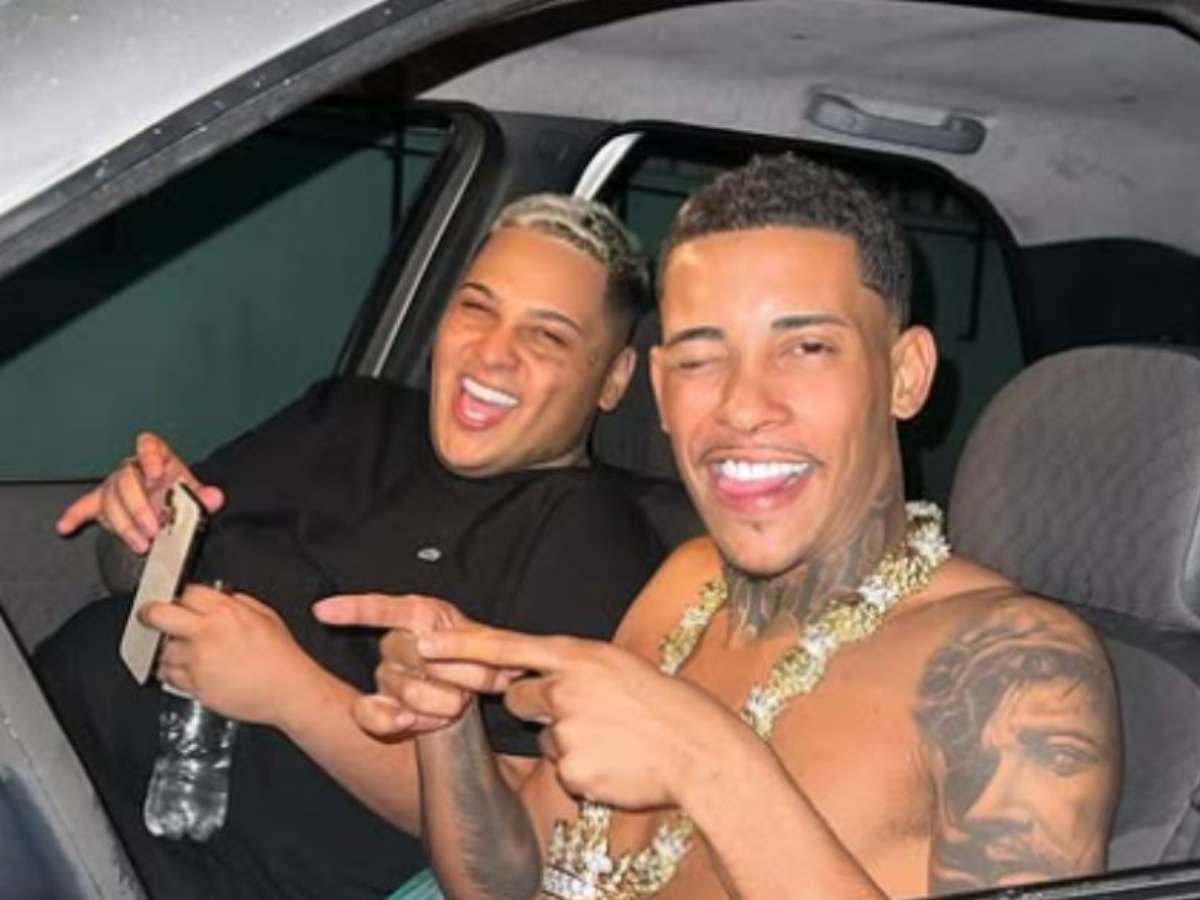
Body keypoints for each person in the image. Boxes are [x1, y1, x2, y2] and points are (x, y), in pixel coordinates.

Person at [324, 155, 1121, 899]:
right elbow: (507, 882)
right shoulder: (684, 585)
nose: (742, 405)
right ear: (662, 391)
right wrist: (448, 726)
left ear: (904, 376)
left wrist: (707, 764)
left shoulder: (1012, 668)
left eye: (806, 348)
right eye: (700, 359)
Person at [36, 194, 670, 900]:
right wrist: (144, 523)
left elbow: (514, 839)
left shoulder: (593, 539)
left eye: (546, 336)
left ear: (614, 378)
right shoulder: (351, 414)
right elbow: (127, 574)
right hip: (43, 747)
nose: (493, 352)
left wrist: (290, 693)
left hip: (168, 868)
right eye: (476, 307)